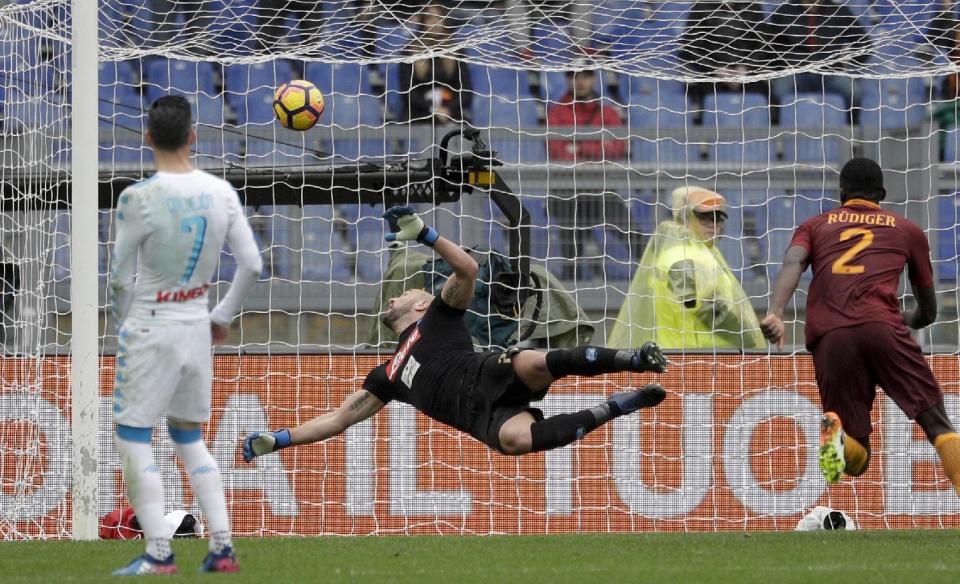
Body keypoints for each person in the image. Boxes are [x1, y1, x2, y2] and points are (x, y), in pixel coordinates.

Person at [243, 206, 668, 462]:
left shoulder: (439, 317)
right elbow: (338, 419)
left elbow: (467, 269)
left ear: (423, 303)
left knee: (531, 361)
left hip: (490, 374)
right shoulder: (386, 375)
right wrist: (279, 439)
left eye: (405, 293)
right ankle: (618, 407)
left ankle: (633, 359)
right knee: (516, 441)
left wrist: (426, 235)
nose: (393, 297)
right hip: (480, 419)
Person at [109, 95, 262, 575]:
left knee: (134, 437)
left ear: (148, 138)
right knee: (190, 438)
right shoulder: (221, 192)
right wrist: (222, 317)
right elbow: (253, 264)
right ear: (193, 137)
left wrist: (122, 324)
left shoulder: (137, 198)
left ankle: (158, 553)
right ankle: (222, 548)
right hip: (197, 325)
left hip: (152, 324)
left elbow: (118, 278)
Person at [760, 157, 960, 492]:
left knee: (855, 460)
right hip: (883, 326)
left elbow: (793, 261)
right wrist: (905, 320)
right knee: (938, 424)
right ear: (881, 192)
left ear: (841, 192)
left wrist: (776, 312)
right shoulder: (907, 229)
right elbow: (928, 311)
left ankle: (837, 435)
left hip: (830, 336)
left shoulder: (814, 225)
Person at [608, 186, 765, 350]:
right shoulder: (682, 258)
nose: (713, 224)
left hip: (701, 353)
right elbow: (708, 310)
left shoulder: (697, 253)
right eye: (704, 217)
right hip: (694, 356)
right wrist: (749, 340)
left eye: (717, 218)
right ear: (686, 218)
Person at [546, 62, 635, 279]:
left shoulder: (607, 112)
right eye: (575, 76)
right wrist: (597, 145)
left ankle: (653, 278)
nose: (581, 81)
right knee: (570, 246)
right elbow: (557, 149)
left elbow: (617, 147)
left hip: (600, 188)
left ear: (594, 79)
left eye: (586, 76)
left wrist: (579, 146)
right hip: (569, 190)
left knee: (634, 235)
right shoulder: (556, 112)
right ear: (568, 79)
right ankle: (569, 289)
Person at [767, 0, 872, 110]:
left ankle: (847, 124)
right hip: (796, 72)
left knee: (854, 93)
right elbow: (771, 47)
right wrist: (783, 66)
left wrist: (849, 62)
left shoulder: (838, 11)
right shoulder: (783, 11)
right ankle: (782, 124)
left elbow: (864, 44)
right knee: (780, 91)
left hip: (831, 72)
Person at [399, 2, 472, 124]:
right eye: (430, 18)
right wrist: (432, 109)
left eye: (439, 18)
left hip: (450, 112)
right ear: (423, 22)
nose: (435, 23)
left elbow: (466, 91)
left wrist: (448, 109)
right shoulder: (409, 52)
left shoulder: (457, 51)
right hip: (419, 113)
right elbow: (408, 93)